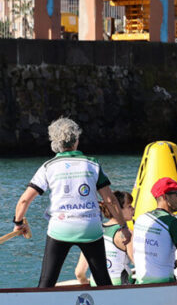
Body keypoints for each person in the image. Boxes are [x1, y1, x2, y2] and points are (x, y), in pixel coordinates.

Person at [12, 117, 131, 288]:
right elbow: (110, 200)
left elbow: (24, 200)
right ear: (76, 141)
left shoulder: (48, 167)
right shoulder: (92, 164)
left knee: (46, 281)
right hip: (89, 228)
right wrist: (123, 227)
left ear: (55, 143)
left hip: (61, 229)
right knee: (102, 280)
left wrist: (18, 223)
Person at [74, 190, 135, 285]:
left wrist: (87, 286)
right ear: (117, 209)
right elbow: (138, 264)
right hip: (119, 284)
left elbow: (79, 273)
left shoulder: (93, 231)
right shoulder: (127, 234)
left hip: (95, 283)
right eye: (129, 206)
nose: (133, 209)